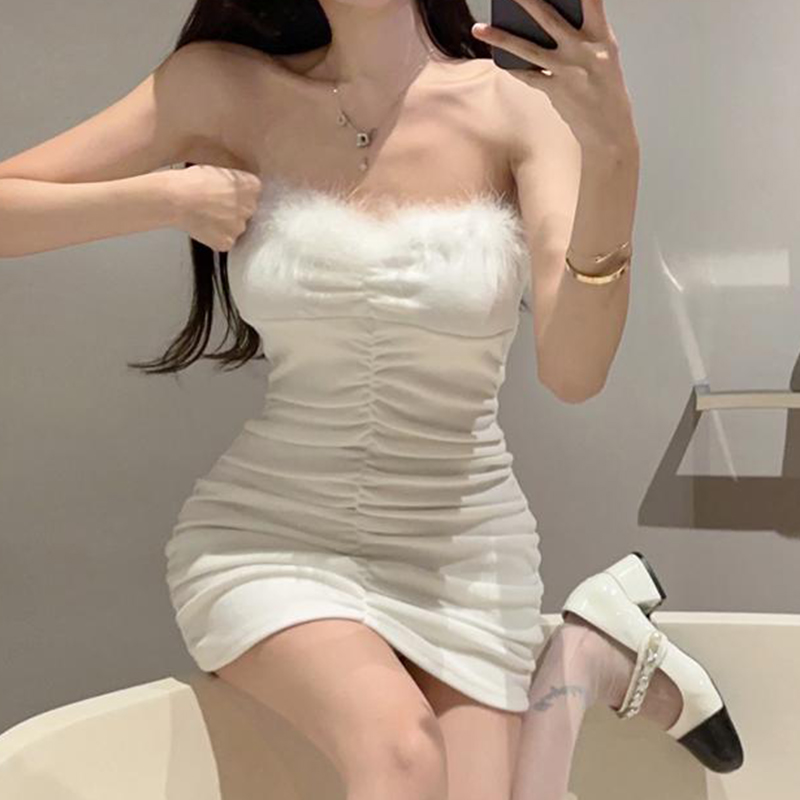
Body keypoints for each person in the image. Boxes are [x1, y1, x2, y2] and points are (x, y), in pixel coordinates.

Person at [0, 1, 741, 798]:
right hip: (271, 538)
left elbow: (574, 372)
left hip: (464, 556)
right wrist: (166, 199)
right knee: (402, 754)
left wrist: (615, 152)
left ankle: (583, 654)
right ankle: (581, 661)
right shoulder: (222, 87)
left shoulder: (518, 105)